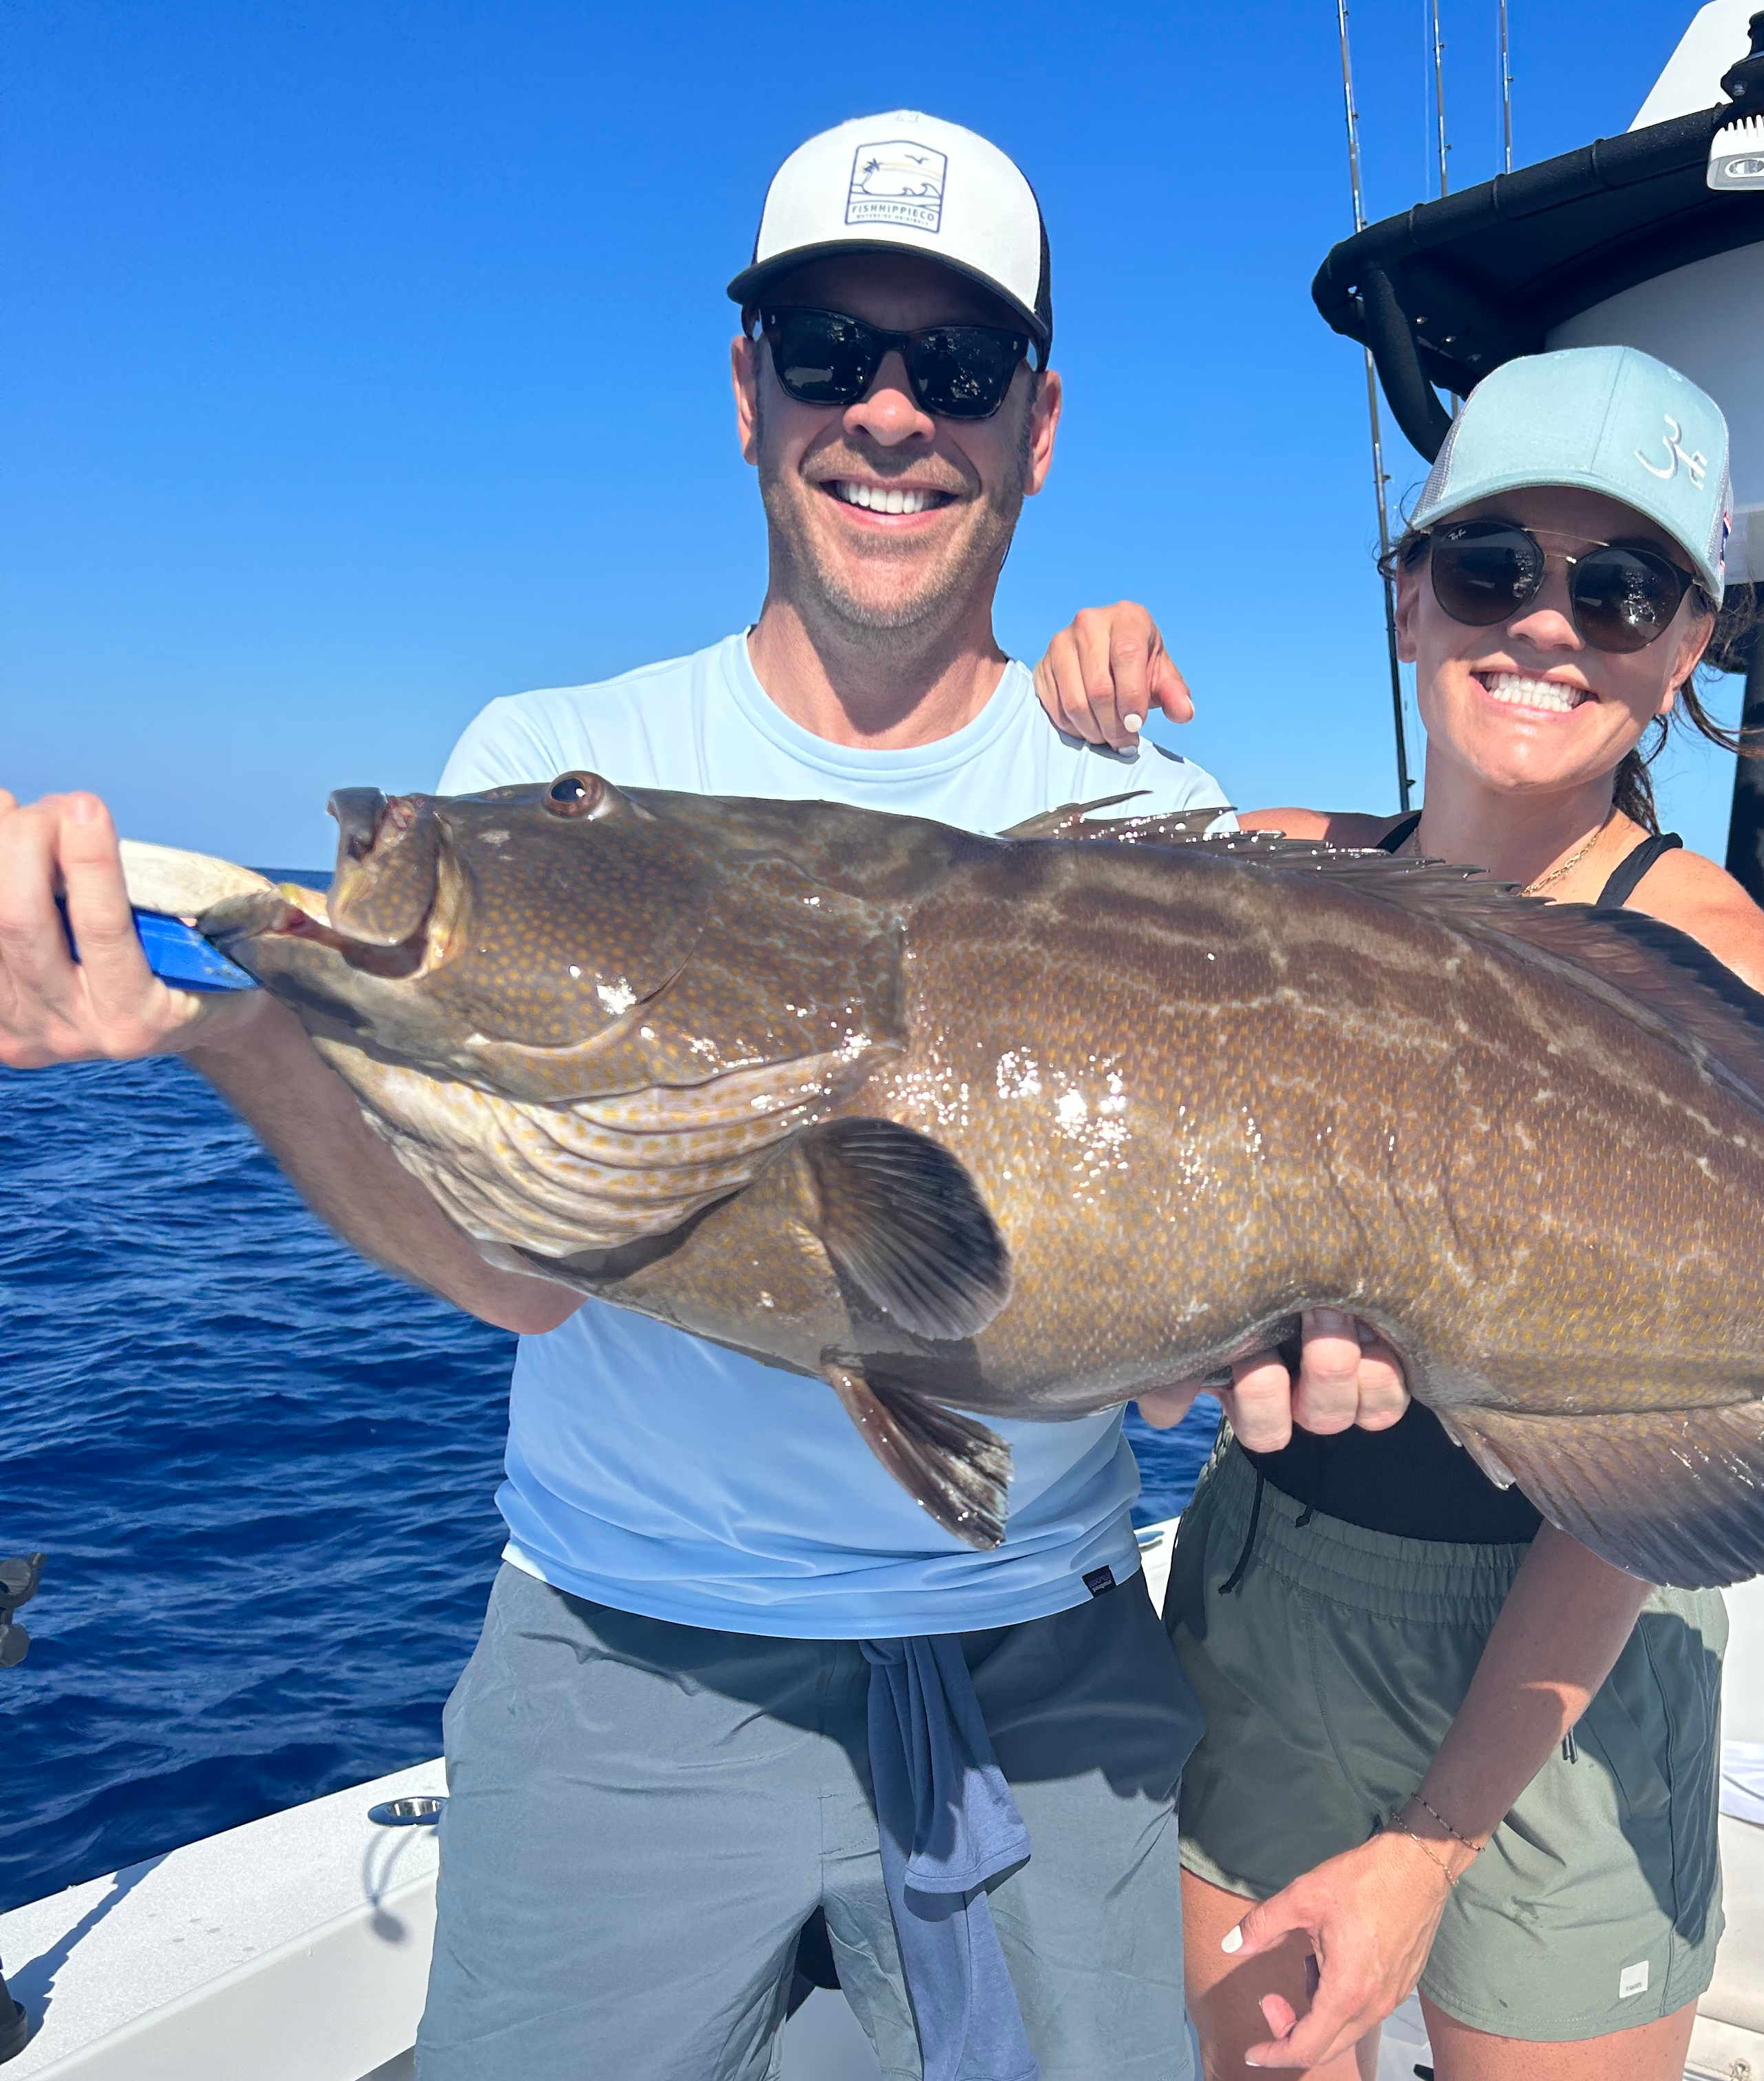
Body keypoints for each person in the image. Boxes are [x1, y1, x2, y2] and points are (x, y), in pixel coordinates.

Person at [0, 110, 1382, 2080]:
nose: (890, 412)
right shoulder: (552, 762)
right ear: (749, 391)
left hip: (1051, 1672)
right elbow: (514, 1275)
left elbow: (1172, 1330)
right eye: (829, 352)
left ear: (1038, 426)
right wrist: (219, 1036)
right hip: (620, 1672)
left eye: (958, 369)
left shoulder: (1156, 828)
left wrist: (1254, 1338)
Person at [1038, 344, 1764, 2080]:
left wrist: (1434, 1848)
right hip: (1278, 1599)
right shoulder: (1267, 866)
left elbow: (1641, 1483)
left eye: (1619, 591)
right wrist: (1053, 702)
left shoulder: (1720, 971)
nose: (1546, 623)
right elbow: (1017, 949)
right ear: (1409, 602)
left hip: (1579, 1644)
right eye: (1490, 567)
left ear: (1689, 654)